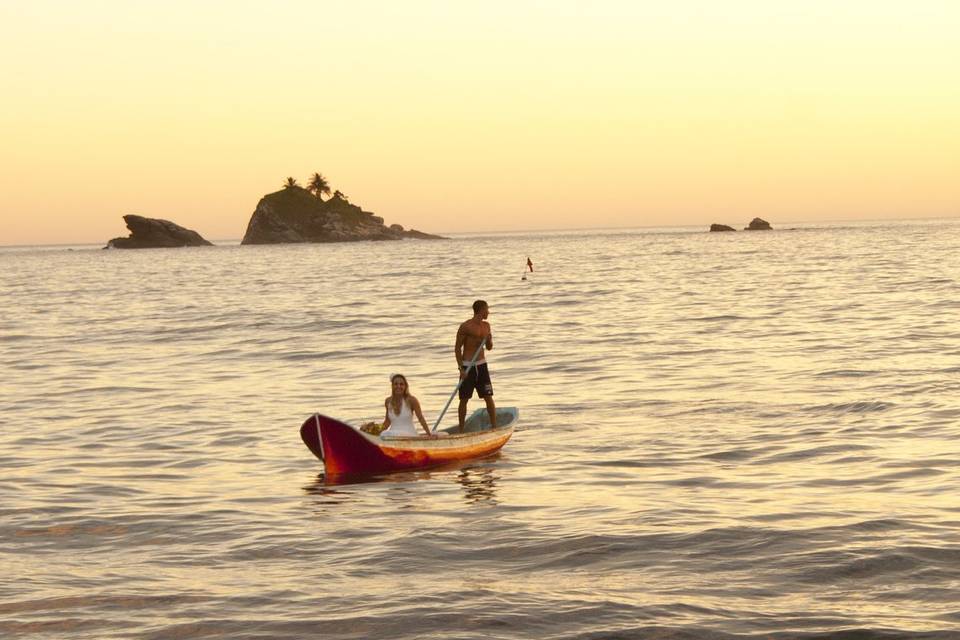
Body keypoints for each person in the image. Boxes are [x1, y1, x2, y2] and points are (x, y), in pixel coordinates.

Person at [455, 299, 497, 432]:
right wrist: (461, 368)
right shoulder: (466, 326)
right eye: (487, 309)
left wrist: (489, 340)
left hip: (482, 365)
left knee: (488, 396)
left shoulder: (487, 326)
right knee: (464, 399)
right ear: (481, 310)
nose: (488, 312)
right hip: (468, 366)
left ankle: (494, 427)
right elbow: (457, 348)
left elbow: (489, 347)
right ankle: (461, 429)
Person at [381, 373, 433, 437]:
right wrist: (376, 433)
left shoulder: (412, 400)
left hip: (409, 434)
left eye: (401, 384)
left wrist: (429, 434)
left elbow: (420, 418)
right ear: (392, 386)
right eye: (396, 384)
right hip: (392, 435)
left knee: (386, 434)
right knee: (383, 434)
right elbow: (387, 422)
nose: (398, 386)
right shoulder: (388, 401)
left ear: (405, 386)